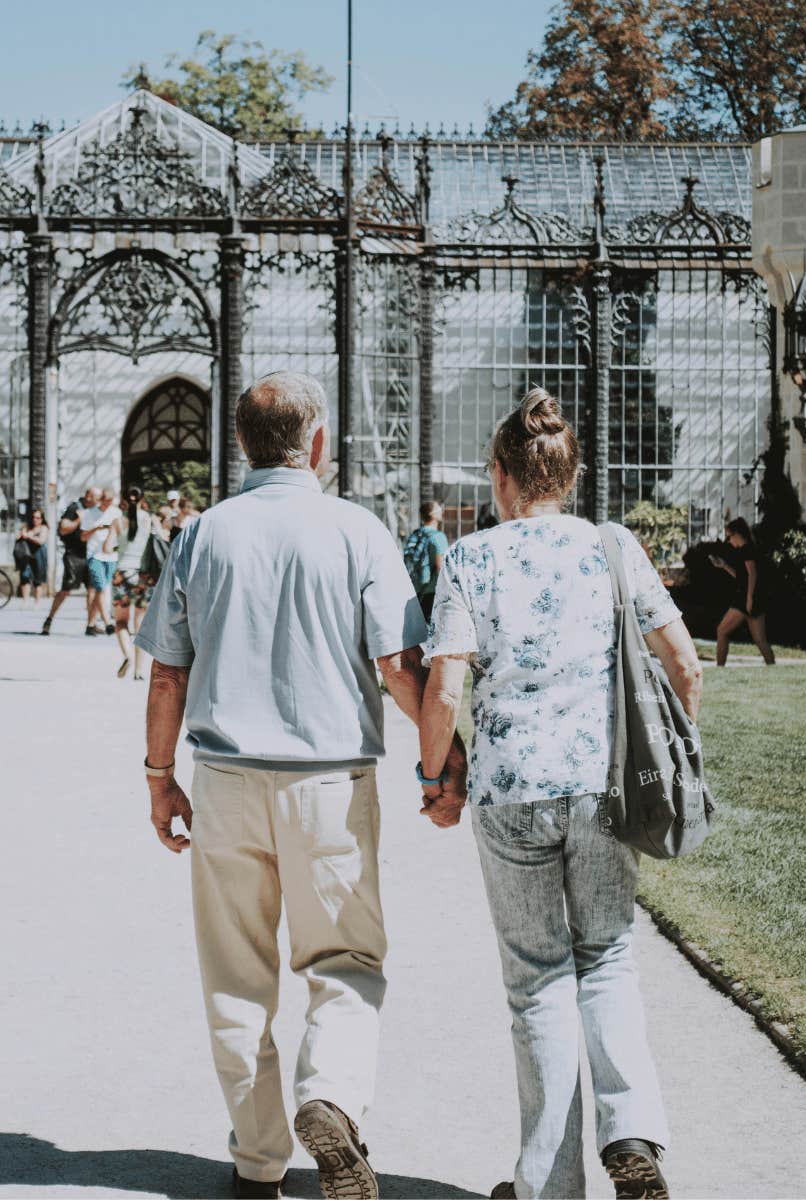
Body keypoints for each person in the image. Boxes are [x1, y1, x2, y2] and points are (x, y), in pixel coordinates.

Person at [135, 371, 466, 1200]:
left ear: (244, 444)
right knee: (345, 959)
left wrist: (158, 777)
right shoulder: (357, 530)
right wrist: (440, 762)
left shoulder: (201, 535)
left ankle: (256, 1162)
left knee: (236, 978)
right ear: (316, 443)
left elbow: (167, 677)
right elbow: (398, 665)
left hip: (224, 781)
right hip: (328, 782)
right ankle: (331, 1094)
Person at [417, 388, 703, 1200]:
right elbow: (683, 663)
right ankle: (633, 1133)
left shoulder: (473, 557)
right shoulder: (613, 547)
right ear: (567, 477)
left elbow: (442, 693)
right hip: (601, 788)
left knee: (537, 979)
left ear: (504, 478)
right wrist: (677, 757)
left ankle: (548, 1184)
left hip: (511, 791)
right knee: (607, 958)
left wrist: (434, 775)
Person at [711, 517, 775, 666]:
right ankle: (772, 667)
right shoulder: (745, 550)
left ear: (738, 534)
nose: (728, 540)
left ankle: (720, 667)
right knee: (760, 640)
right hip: (749, 599)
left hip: (745, 600)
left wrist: (749, 599)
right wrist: (724, 566)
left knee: (722, 631)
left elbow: (753, 574)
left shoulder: (747, 550)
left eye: (729, 536)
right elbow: (742, 577)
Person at [108, 486, 153, 680]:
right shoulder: (148, 519)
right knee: (140, 624)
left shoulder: (118, 521)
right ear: (142, 499)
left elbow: (106, 546)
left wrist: (120, 545)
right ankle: (139, 671)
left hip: (122, 574)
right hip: (142, 575)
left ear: (125, 500)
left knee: (120, 622)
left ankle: (127, 656)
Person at [41, 487, 100, 635]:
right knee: (66, 590)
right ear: (88, 496)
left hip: (91, 554)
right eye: (96, 498)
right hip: (74, 555)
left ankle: (90, 624)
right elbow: (63, 529)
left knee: (93, 589)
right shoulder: (75, 508)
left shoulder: (95, 510)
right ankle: (49, 619)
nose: (98, 502)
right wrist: (80, 518)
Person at [80, 487, 122, 636]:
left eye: (111, 501)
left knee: (102, 590)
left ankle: (90, 625)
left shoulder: (116, 513)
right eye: (106, 501)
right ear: (100, 499)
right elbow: (83, 537)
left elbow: (121, 534)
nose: (108, 504)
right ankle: (107, 622)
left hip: (111, 556)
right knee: (101, 587)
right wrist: (96, 529)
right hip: (95, 555)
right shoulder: (90, 513)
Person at [402, 500, 450, 622]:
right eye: (439, 509)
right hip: (431, 591)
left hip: (414, 590)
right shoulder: (439, 537)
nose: (442, 511)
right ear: (433, 514)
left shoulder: (416, 534)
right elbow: (441, 566)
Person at [15, 509, 49, 606]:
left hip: (39, 554)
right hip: (26, 554)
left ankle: (36, 603)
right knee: (24, 576)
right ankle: (25, 601)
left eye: (38, 518)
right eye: (33, 517)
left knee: (38, 579)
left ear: (42, 519)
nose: (35, 520)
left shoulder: (44, 528)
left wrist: (29, 536)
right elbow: (18, 537)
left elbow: (41, 541)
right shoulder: (27, 527)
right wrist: (22, 535)